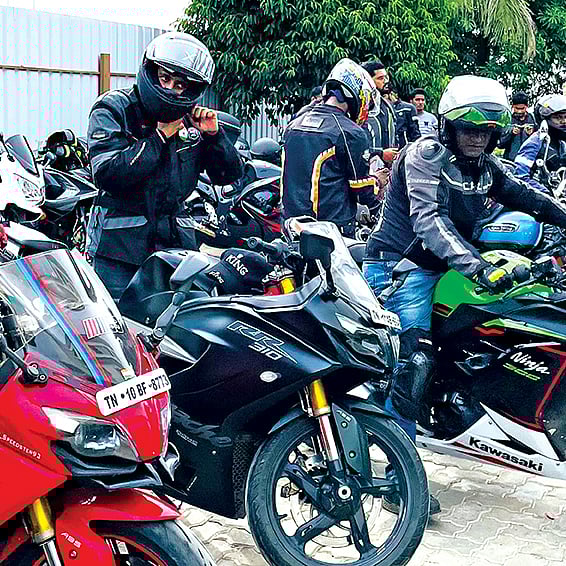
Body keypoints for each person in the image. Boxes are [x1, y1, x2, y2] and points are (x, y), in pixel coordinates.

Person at [363, 75, 566, 515]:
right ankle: (398, 480)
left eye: (486, 131)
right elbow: (428, 221)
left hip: (450, 265)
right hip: (402, 267)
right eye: (468, 129)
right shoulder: (426, 155)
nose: (476, 138)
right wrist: (478, 266)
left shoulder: (485, 167)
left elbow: (528, 196)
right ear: (448, 126)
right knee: (415, 361)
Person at [85, 32, 242, 300]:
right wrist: (159, 137)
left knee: (179, 318)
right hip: (120, 250)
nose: (170, 88)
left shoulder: (192, 120)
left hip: (175, 245)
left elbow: (227, 176)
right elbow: (108, 174)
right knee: (118, 321)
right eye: (165, 78)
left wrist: (215, 137)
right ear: (151, 72)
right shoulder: (114, 108)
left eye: (179, 84)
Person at [281, 58, 381, 237]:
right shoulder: (350, 132)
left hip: (291, 228)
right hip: (330, 233)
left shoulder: (294, 124)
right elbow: (361, 190)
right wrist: (377, 182)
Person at [514, 93, 566, 193]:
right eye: (558, 117)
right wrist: (546, 194)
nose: (563, 121)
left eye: (565, 117)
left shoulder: (562, 144)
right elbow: (520, 176)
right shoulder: (535, 142)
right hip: (540, 198)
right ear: (544, 119)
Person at [361, 61, 398, 166]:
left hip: (387, 168)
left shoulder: (387, 105)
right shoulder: (358, 106)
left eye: (386, 77)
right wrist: (379, 154)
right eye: (380, 78)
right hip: (365, 168)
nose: (385, 82)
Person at [498, 91, 537, 160]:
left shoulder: (534, 119)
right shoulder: (507, 120)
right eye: (517, 108)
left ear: (527, 106)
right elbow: (500, 144)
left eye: (522, 108)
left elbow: (540, 142)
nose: (519, 111)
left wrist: (531, 135)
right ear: (513, 106)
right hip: (511, 160)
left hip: (529, 159)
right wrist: (511, 134)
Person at [383, 81, 420, 148]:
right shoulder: (380, 109)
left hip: (404, 147)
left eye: (384, 96)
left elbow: (414, 131)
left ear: (392, 94)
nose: (383, 100)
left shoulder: (408, 108)